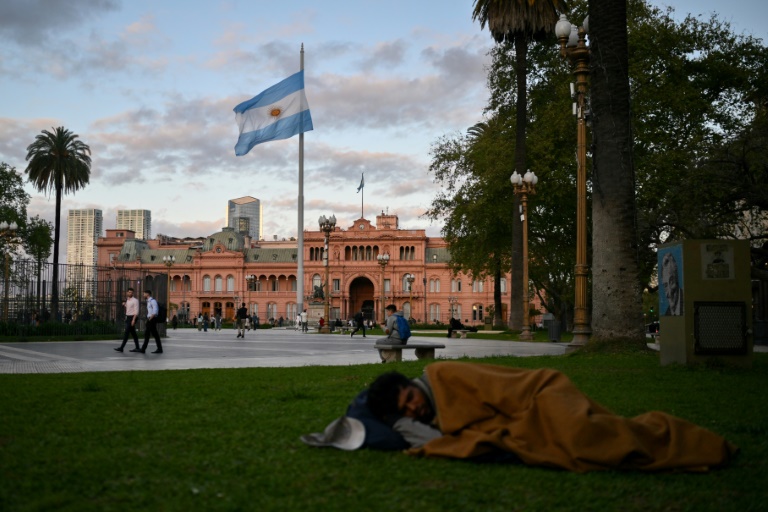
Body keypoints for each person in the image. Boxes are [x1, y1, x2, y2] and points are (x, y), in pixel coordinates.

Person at [362, 361, 737, 472]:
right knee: (576, 443)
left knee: (583, 433)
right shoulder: (423, 414)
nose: (413, 408)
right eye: (404, 410)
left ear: (413, 385)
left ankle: (674, 438)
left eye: (409, 398)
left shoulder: (444, 375)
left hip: (543, 393)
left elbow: (505, 390)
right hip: (524, 418)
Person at [115, 287, 141, 352]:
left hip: (132, 317)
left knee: (126, 332)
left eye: (132, 292)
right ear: (127, 292)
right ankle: (137, 347)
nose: (130, 293)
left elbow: (136, 311)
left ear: (133, 293)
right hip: (128, 317)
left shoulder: (135, 300)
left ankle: (121, 347)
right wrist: (124, 304)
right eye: (129, 292)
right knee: (133, 333)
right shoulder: (127, 300)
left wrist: (133, 320)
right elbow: (129, 308)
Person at [140, 290, 163, 354]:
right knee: (155, 334)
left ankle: (143, 349)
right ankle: (159, 348)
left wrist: (150, 319)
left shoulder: (153, 301)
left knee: (147, 334)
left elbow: (155, 311)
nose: (143, 295)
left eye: (144, 294)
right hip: (151, 319)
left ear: (147, 294)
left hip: (152, 319)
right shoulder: (148, 301)